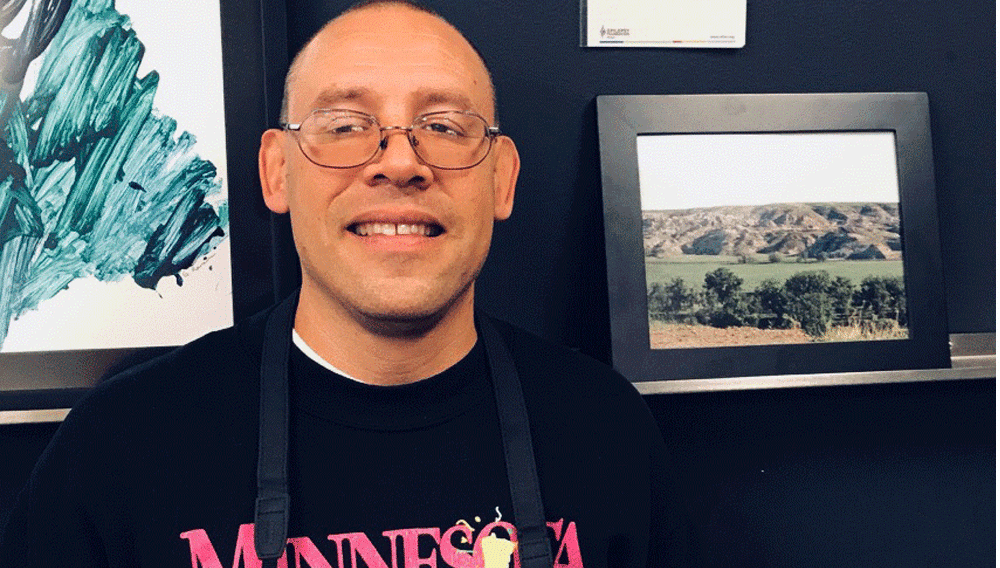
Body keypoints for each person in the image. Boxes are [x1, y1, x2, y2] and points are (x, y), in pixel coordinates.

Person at [0, 1, 691, 566]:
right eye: (344, 124)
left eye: (444, 126)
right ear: (276, 171)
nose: (398, 161)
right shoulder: (121, 448)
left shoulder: (605, 431)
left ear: (501, 177)